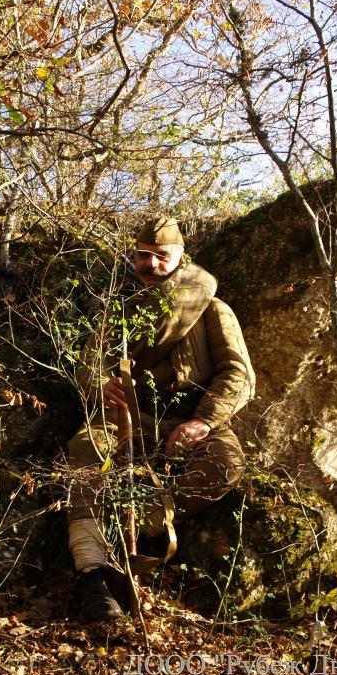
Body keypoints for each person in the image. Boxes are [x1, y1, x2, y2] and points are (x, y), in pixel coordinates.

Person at [67, 216, 255, 621]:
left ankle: (140, 526)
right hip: (129, 417)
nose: (150, 264)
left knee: (225, 463)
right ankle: (91, 574)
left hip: (194, 418)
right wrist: (99, 384)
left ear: (181, 258)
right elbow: (88, 363)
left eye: (161, 256)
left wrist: (203, 422)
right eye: (142, 255)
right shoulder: (120, 314)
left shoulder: (212, 309)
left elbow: (239, 375)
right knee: (86, 449)